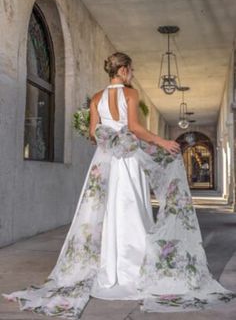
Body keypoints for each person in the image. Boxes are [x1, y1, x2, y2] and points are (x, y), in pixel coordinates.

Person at [2, 52, 236, 318]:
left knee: (106, 212)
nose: (132, 74)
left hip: (104, 162)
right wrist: (163, 142)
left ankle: (110, 265)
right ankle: (135, 268)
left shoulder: (96, 99)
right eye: (131, 69)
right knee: (131, 208)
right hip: (127, 162)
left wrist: (108, 136)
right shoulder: (130, 94)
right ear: (122, 71)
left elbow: (93, 133)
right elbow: (135, 127)